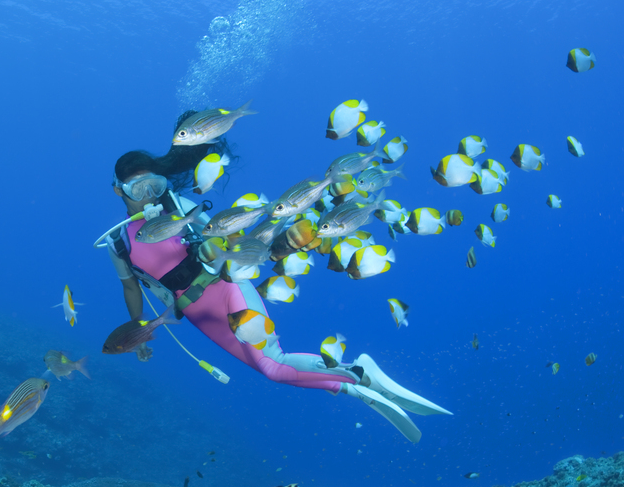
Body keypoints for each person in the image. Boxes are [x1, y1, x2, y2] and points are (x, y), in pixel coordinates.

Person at [101, 114, 451, 443]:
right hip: (195, 313)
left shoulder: (180, 209)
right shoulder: (118, 243)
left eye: (154, 185)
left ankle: (355, 380)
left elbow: (226, 236)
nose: (148, 196)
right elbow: (130, 287)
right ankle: (355, 378)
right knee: (274, 366)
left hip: (226, 287)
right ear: (119, 190)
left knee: (273, 365)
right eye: (137, 189)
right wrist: (139, 333)